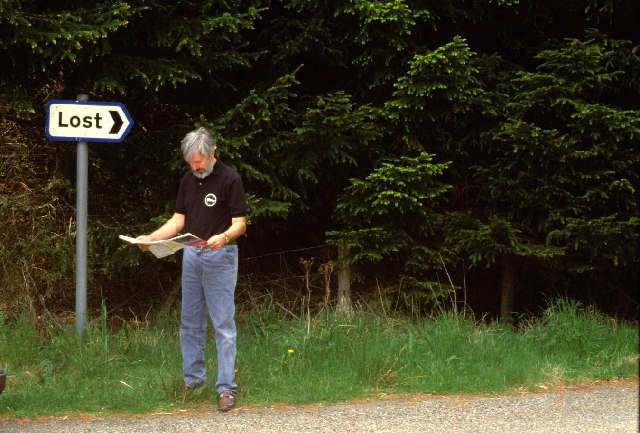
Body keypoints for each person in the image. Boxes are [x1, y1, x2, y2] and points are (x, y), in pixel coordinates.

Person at [137, 127, 247, 411]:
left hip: (220, 256)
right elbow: (178, 220)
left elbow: (240, 224)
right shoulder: (188, 179)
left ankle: (226, 388)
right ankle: (193, 381)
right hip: (191, 256)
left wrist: (223, 237)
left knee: (223, 325)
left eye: (199, 161)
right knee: (190, 322)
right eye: (191, 162)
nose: (195, 167)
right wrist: (151, 238)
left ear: (212, 154)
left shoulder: (230, 179)